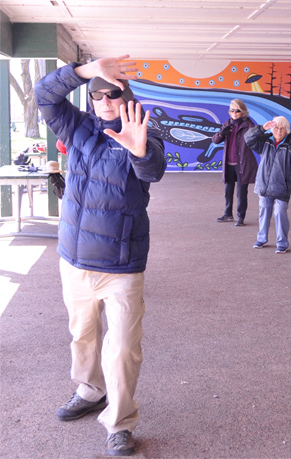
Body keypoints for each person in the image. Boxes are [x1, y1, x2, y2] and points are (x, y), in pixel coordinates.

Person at [35, 55, 166, 457]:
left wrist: (139, 151)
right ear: (90, 98)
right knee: (83, 336)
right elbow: (44, 94)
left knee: (123, 348)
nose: (105, 100)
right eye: (98, 94)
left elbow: (153, 171)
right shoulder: (77, 128)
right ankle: (91, 390)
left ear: (126, 97)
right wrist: (86, 71)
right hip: (74, 260)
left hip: (121, 265)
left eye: (113, 94)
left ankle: (120, 422)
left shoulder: (142, 130)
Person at [244, 116, 291, 254]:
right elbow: (248, 138)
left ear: (287, 130)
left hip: (281, 187)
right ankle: (261, 239)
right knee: (264, 212)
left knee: (279, 213)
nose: (279, 131)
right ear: (272, 129)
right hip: (264, 185)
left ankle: (282, 243)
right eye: (276, 128)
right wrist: (261, 128)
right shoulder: (265, 142)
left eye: (282, 128)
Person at [211, 99, 257, 226]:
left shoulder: (248, 125)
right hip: (228, 163)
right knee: (228, 190)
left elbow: (254, 137)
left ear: (243, 112)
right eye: (232, 110)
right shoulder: (227, 124)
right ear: (229, 112)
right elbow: (215, 140)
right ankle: (228, 214)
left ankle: (240, 217)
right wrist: (221, 133)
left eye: (237, 110)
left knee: (241, 192)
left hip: (242, 164)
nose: (235, 113)